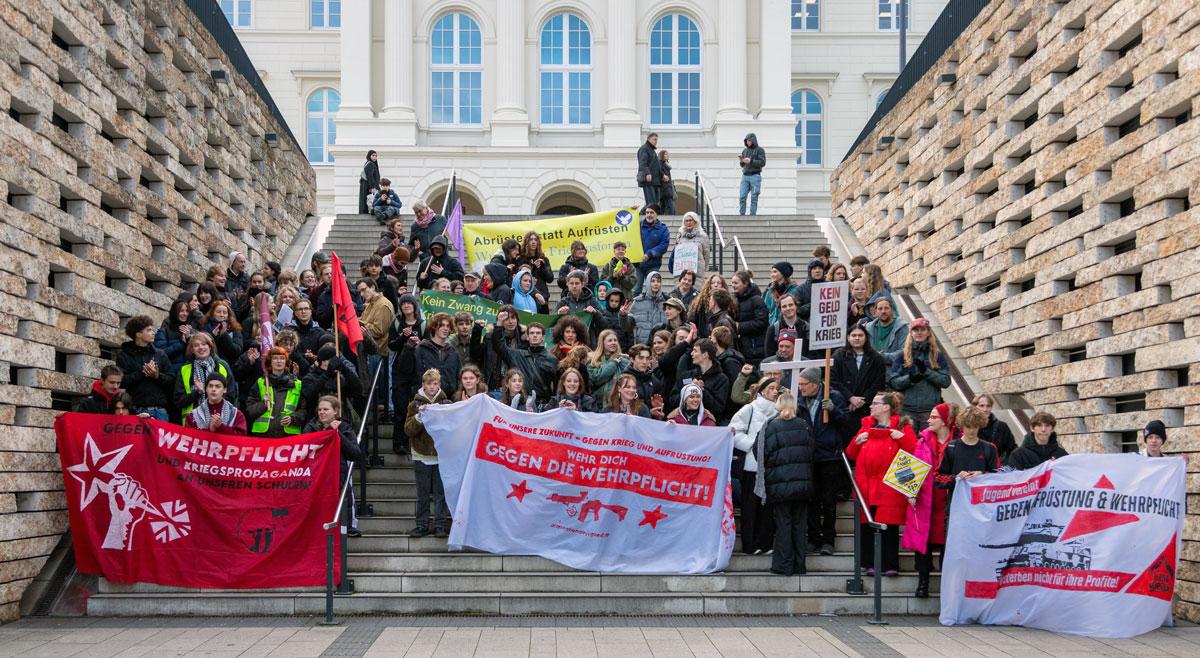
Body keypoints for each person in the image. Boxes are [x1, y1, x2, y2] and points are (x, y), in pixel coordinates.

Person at [845, 392, 917, 575]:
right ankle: (869, 563)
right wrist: (856, 441)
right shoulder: (866, 425)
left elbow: (914, 450)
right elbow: (850, 453)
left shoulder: (902, 426)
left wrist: (900, 436)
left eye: (875, 403)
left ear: (886, 407)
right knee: (868, 526)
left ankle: (889, 564)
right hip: (866, 485)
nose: (870, 406)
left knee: (889, 526)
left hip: (889, 485)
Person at [904, 403, 958, 598]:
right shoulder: (923, 441)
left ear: (944, 420)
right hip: (927, 499)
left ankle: (947, 585)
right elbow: (913, 467)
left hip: (949, 500)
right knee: (922, 542)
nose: (928, 420)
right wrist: (910, 491)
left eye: (934, 417)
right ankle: (923, 582)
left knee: (947, 542)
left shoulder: (957, 442)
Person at [797, 367, 850, 555]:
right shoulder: (799, 399)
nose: (800, 388)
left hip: (829, 456)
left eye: (804, 385)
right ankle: (813, 538)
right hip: (808, 456)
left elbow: (846, 421)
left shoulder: (833, 397)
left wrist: (833, 411)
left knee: (828, 501)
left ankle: (828, 540)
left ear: (815, 384)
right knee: (811, 500)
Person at [762, 390, 815, 576]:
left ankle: (783, 565)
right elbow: (811, 451)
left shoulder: (771, 425)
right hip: (803, 483)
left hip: (779, 483)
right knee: (800, 525)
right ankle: (800, 566)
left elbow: (762, 452)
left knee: (783, 524)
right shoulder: (804, 425)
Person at [730, 376, 780, 555]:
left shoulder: (778, 410)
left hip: (771, 466)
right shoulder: (749, 409)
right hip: (751, 465)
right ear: (762, 390)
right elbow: (734, 430)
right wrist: (753, 444)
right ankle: (750, 544)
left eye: (776, 388)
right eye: (771, 388)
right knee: (750, 506)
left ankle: (766, 543)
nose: (775, 391)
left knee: (767, 508)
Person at [303, 395, 365, 537]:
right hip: (316, 474)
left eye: (326, 409)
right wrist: (327, 432)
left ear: (335, 411)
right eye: (319, 409)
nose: (322, 412)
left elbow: (355, 453)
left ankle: (348, 526)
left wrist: (337, 434)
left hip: (338, 472)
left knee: (344, 498)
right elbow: (306, 447)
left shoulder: (345, 427)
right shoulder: (310, 427)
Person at [404, 369, 452, 537]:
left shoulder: (447, 403)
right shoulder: (414, 404)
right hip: (421, 454)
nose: (433, 387)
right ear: (423, 385)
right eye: (429, 384)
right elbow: (408, 430)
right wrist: (420, 416)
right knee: (422, 493)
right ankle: (422, 524)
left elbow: (452, 428)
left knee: (441, 493)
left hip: (441, 455)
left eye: (436, 383)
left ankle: (440, 525)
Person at [887, 318, 950, 430]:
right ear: (911, 333)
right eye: (916, 330)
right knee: (906, 446)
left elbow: (946, 381)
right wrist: (910, 378)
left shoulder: (937, 356)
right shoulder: (901, 355)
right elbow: (893, 382)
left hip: (930, 411)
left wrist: (926, 372)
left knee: (928, 446)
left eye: (922, 329)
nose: (919, 332)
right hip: (906, 411)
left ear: (928, 332)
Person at [935, 406, 1001, 503]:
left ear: (980, 425)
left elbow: (999, 476)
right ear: (962, 426)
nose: (971, 430)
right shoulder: (950, 447)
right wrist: (957, 478)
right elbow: (937, 478)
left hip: (982, 505)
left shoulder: (990, 448)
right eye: (968, 426)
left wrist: (982, 475)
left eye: (975, 426)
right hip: (956, 504)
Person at [115, 315, 174, 420]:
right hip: (135, 409)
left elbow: (172, 379)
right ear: (138, 334)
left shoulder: (160, 354)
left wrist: (157, 376)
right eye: (149, 330)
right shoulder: (124, 355)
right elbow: (121, 381)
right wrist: (142, 373)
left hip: (160, 411)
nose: (153, 332)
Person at [831, 324, 888, 428]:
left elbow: (879, 383)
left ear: (866, 337)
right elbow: (833, 381)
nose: (857, 338)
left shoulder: (876, 358)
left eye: (860, 335)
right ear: (848, 337)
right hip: (844, 408)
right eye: (854, 335)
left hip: (866, 409)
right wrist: (850, 397)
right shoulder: (838, 356)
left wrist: (861, 401)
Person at [245, 347, 305, 437]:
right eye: (275, 358)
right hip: (264, 436)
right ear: (270, 362)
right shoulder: (261, 382)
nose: (279, 361)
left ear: (286, 362)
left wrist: (293, 419)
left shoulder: (298, 384)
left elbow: (303, 410)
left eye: (282, 358)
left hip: (288, 436)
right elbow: (250, 411)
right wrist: (263, 404)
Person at [174, 332, 236, 417]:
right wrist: (196, 392)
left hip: (218, 420)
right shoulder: (184, 369)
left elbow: (231, 396)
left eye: (204, 344)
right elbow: (178, 402)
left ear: (210, 347)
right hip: (192, 422)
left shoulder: (222, 366)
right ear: (192, 350)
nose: (201, 347)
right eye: (196, 345)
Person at [671, 338, 731, 421]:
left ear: (705, 355)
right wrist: (687, 392)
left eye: (695, 351)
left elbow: (718, 409)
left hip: (706, 427)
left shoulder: (721, 379)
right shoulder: (687, 375)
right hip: (684, 423)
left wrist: (702, 391)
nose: (691, 354)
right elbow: (672, 400)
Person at [731, 271, 769, 365]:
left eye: (736, 283)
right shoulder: (735, 300)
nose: (733, 285)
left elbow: (761, 322)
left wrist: (739, 326)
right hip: (744, 346)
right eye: (732, 283)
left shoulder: (756, 300)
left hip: (756, 347)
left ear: (745, 284)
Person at [636, 204, 671, 296]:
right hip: (637, 264)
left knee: (652, 290)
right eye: (647, 212)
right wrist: (631, 211)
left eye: (652, 212)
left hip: (653, 264)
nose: (649, 215)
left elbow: (664, 245)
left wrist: (649, 254)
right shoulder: (638, 226)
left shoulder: (663, 229)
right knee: (636, 290)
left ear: (656, 214)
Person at [587, 329, 630, 402]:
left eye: (615, 340)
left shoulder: (624, 361)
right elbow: (596, 379)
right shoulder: (593, 361)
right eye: (610, 341)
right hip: (599, 403)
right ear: (602, 343)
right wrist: (613, 363)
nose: (613, 343)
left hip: (620, 403)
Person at [765, 294, 813, 360]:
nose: (788, 308)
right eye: (784, 306)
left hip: (803, 368)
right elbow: (769, 355)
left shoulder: (807, 328)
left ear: (796, 306)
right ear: (780, 309)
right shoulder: (773, 329)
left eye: (790, 305)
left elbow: (813, 353)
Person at [865, 294, 909, 362]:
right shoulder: (868, 328)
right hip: (873, 369)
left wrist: (882, 357)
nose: (883, 311)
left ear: (891, 310)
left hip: (893, 370)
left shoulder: (902, 327)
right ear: (875, 311)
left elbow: (903, 352)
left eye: (886, 308)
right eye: (880, 309)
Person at [201, 300, 244, 366]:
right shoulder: (205, 327)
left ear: (228, 315)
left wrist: (224, 335)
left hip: (230, 365)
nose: (222, 315)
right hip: (211, 365)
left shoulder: (235, 328)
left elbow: (236, 351)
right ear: (212, 313)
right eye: (218, 312)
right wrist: (213, 336)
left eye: (224, 312)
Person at [517, 231, 555, 301]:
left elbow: (550, 279)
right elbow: (518, 279)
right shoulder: (520, 259)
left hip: (543, 295)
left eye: (535, 240)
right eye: (531, 240)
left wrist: (543, 267)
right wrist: (533, 267)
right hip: (526, 295)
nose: (533, 242)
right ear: (526, 242)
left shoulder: (543, 259)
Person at [156, 299, 196, 367]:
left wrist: (189, 339)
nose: (185, 314)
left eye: (187, 311)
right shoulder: (164, 332)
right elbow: (160, 355)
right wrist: (181, 343)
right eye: (181, 311)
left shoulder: (193, 331)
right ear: (174, 312)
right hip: (172, 372)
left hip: (190, 373)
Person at [630, 272, 667, 344]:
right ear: (647, 283)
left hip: (662, 343)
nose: (656, 284)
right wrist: (623, 316)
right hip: (643, 344)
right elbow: (628, 325)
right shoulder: (638, 301)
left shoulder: (667, 302)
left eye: (658, 281)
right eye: (653, 281)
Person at [761, 262, 800, 326]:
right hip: (773, 328)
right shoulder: (769, 291)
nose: (772, 275)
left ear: (783, 273)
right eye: (772, 272)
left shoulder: (795, 290)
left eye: (775, 272)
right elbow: (765, 310)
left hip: (790, 327)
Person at [737, 133, 766, 216]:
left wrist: (751, 161)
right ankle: (741, 214)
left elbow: (763, 162)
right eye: (746, 141)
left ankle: (752, 215)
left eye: (749, 140)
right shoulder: (744, 151)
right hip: (745, 176)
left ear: (753, 140)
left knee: (754, 197)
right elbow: (743, 165)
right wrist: (742, 161)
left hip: (755, 176)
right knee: (742, 196)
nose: (748, 142)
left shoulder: (760, 150)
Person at [636, 132, 661, 208]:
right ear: (649, 139)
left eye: (656, 140)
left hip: (655, 180)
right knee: (651, 201)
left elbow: (657, 165)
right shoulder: (644, 149)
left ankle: (642, 213)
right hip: (648, 180)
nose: (656, 141)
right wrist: (647, 173)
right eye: (654, 139)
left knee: (654, 202)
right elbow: (642, 163)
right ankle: (644, 215)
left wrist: (662, 175)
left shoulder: (651, 150)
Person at [657, 149, 676, 215]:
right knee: (671, 207)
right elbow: (659, 174)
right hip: (665, 189)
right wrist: (663, 176)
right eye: (665, 154)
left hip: (665, 189)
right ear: (661, 155)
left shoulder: (665, 165)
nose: (667, 155)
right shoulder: (660, 164)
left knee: (662, 207)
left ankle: (659, 220)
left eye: (667, 154)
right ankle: (672, 220)